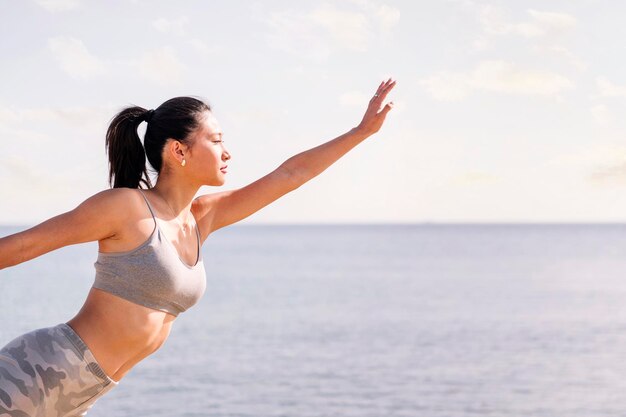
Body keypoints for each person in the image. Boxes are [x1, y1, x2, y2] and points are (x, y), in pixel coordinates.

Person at [0, 78, 396, 416]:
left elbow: (290, 174)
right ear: (179, 151)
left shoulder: (202, 217)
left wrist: (360, 132)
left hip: (85, 392)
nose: (228, 152)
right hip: (39, 370)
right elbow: (21, 247)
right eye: (217, 140)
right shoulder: (125, 208)